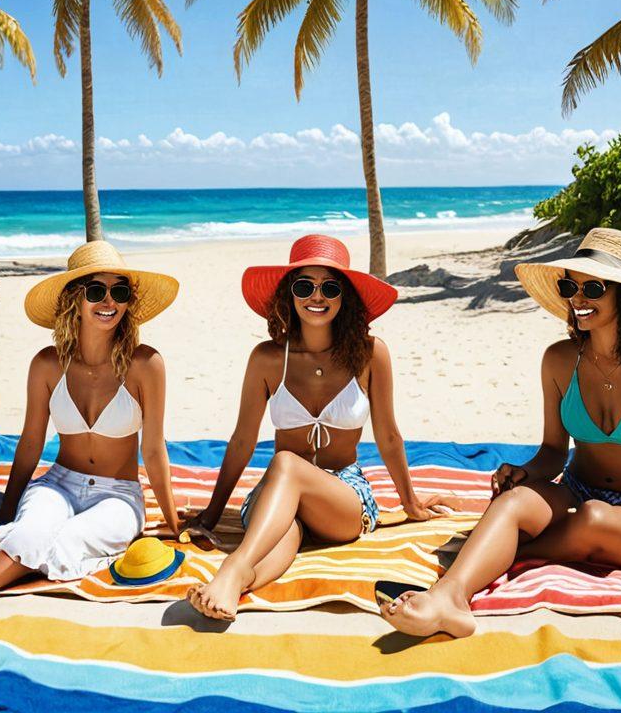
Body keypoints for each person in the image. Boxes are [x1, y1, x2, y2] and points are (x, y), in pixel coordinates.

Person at [378, 228, 621, 638]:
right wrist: (525, 472)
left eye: (593, 288)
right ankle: (449, 596)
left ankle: (492, 552)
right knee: (514, 502)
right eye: (570, 287)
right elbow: (553, 451)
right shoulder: (559, 359)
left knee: (593, 517)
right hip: (575, 490)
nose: (578, 299)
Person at [183, 234, 450, 621]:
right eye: (304, 286)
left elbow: (389, 436)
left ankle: (231, 566)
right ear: (289, 294)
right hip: (278, 495)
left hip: (341, 496)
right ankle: (236, 585)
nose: (317, 296)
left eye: (330, 287)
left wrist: (410, 503)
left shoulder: (370, 353)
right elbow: (242, 440)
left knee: (286, 462)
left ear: (345, 297)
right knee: (285, 533)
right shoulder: (267, 358)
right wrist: (211, 514)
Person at [0, 241, 181, 599]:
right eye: (96, 291)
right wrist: (9, 506)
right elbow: (31, 442)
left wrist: (174, 523)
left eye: (119, 292)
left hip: (118, 495)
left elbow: (153, 450)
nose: (109, 302)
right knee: (31, 530)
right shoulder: (47, 364)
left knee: (70, 539)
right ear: (74, 299)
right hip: (58, 484)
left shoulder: (145, 365)